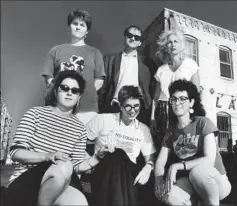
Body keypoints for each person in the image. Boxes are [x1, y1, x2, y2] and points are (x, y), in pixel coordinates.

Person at [2, 70, 109, 206]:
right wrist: (48, 156)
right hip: (28, 179)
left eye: (75, 90)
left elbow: (75, 166)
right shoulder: (35, 114)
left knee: (80, 203)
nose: (69, 92)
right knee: (63, 165)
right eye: (65, 88)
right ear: (55, 91)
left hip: (60, 181)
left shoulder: (80, 128)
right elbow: (16, 152)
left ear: (79, 96)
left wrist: (97, 158)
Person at [154, 80, 231, 206]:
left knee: (198, 172)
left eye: (182, 98)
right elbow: (160, 162)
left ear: (192, 102)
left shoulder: (203, 123)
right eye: (174, 99)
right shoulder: (171, 130)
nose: (177, 103)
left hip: (216, 182)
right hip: (190, 183)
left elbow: (209, 160)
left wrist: (177, 166)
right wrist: (158, 181)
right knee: (169, 196)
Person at [87, 85, 156, 206]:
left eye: (136, 106)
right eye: (128, 106)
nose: (133, 110)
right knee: (116, 154)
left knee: (121, 157)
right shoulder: (103, 119)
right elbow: (81, 141)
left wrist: (148, 167)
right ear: (120, 106)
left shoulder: (143, 129)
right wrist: (89, 162)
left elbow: (150, 158)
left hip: (128, 177)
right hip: (104, 172)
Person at [42, 8, 105, 125]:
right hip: (58, 107)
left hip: (87, 109)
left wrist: (79, 94)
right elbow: (49, 78)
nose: (78, 27)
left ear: (87, 31)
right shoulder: (56, 50)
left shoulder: (95, 53)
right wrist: (62, 95)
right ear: (69, 26)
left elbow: (99, 81)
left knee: (82, 142)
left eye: (82, 25)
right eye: (75, 23)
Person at [151, 28, 200, 147]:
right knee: (164, 145)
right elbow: (156, 97)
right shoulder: (161, 70)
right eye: (169, 42)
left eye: (176, 41)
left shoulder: (190, 65)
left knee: (183, 145)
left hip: (183, 108)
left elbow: (196, 92)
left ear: (182, 45)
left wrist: (194, 114)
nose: (173, 45)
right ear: (165, 47)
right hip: (163, 112)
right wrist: (152, 117)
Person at [98, 25, 152, 126]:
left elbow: (151, 89)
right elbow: (103, 86)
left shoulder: (147, 64)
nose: (132, 38)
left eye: (137, 37)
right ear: (125, 37)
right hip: (114, 106)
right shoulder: (110, 60)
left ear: (140, 42)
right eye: (130, 35)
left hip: (137, 110)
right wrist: (100, 108)